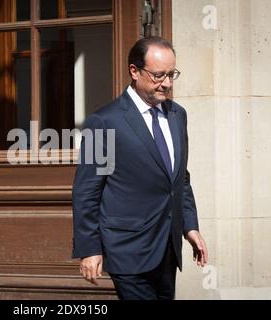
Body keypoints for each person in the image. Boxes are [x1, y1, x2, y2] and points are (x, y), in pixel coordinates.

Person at [72, 36, 208, 300]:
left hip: (168, 247)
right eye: (159, 75)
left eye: (171, 74)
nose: (167, 83)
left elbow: (179, 179)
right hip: (127, 249)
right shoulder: (104, 122)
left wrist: (190, 227)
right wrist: (89, 248)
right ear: (134, 71)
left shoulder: (178, 115)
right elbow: (87, 191)